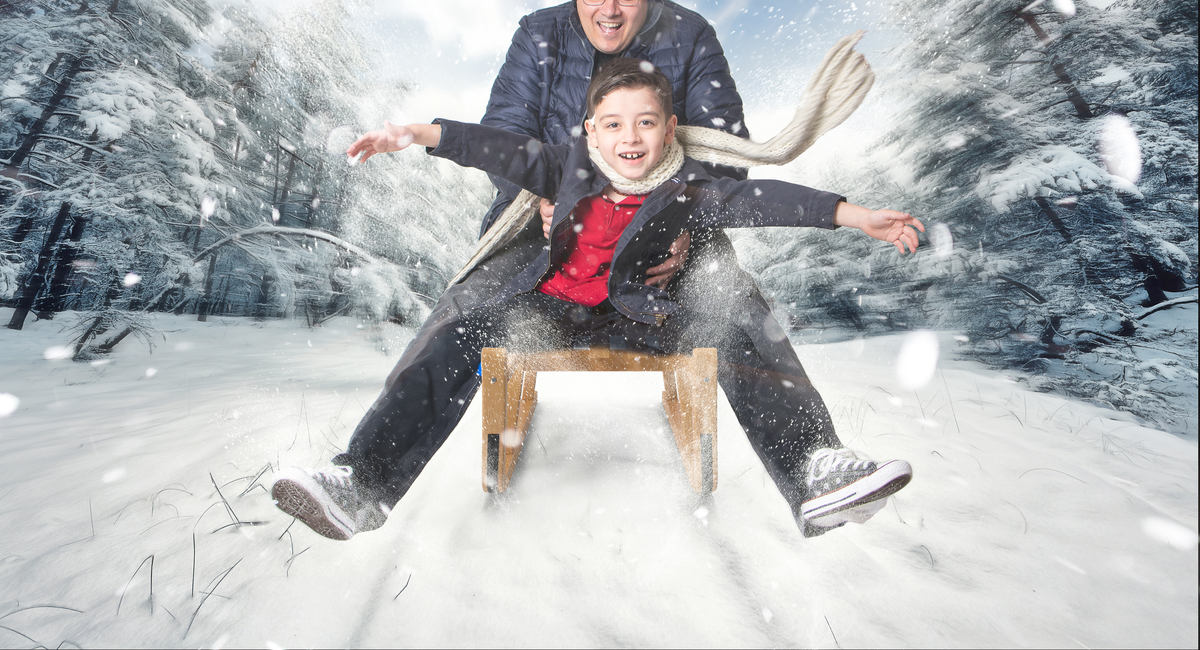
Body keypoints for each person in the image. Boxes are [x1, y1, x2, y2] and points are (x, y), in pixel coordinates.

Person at [272, 58, 922, 540]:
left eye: (645, 123)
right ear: (591, 131)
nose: (630, 137)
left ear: (670, 130)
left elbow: (763, 202)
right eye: (614, 124)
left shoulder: (687, 189)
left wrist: (854, 215)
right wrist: (415, 133)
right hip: (546, 318)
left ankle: (814, 464)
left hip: (647, 320)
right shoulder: (561, 167)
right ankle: (361, 481)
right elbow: (490, 146)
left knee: (732, 299)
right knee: (465, 316)